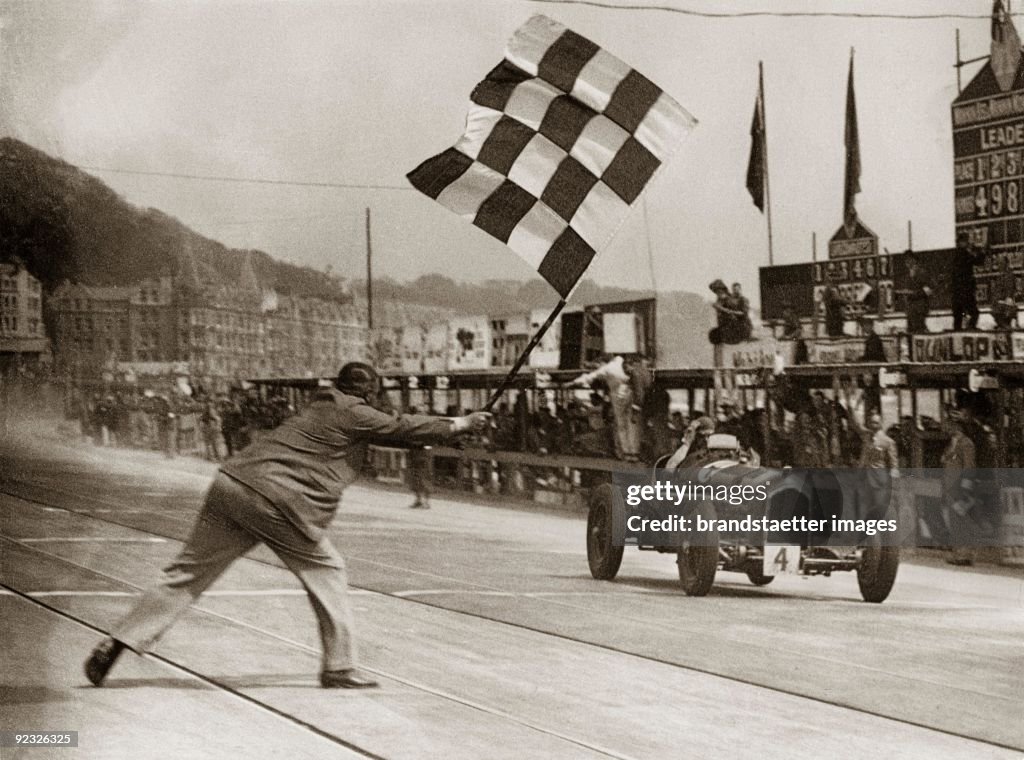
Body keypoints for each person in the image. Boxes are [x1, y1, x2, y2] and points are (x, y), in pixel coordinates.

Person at [83, 362, 491, 689]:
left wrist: (452, 430)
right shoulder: (353, 411)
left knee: (185, 573)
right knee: (328, 570)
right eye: (373, 393)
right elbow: (400, 427)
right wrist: (462, 423)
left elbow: (390, 434)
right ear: (367, 392)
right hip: (280, 502)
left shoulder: (319, 406)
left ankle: (118, 641)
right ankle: (339, 666)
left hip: (231, 484)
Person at [941, 409, 977, 566]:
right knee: (954, 521)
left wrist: (965, 490)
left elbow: (969, 467)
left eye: (950, 424)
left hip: (959, 489)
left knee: (961, 520)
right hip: (950, 487)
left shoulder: (966, 444)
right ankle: (958, 553)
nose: (947, 427)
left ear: (958, 426)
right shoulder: (952, 444)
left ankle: (965, 555)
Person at [952, 231, 982, 331]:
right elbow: (978, 261)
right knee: (974, 312)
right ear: (961, 242)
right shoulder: (964, 254)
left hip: (956, 291)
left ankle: (958, 333)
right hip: (966, 289)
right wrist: (979, 251)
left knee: (958, 316)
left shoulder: (955, 255)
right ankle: (971, 328)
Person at [901, 257, 932, 333]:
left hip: (919, 308)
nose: (909, 266)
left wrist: (915, 293)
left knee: (919, 329)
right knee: (911, 329)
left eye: (911, 264)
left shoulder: (922, 274)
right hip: (911, 308)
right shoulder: (907, 276)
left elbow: (928, 291)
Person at [991, 257, 1017, 330]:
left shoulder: (1008, 274)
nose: (1000, 265)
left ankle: (1004, 325)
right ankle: (1003, 324)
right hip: (1001, 299)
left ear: (1006, 264)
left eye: (1002, 263)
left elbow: (1009, 288)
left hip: (1006, 300)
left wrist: (1006, 298)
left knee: (998, 310)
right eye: (999, 263)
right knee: (995, 309)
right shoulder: (1001, 275)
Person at [822, 271, 847, 338]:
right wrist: (842, 301)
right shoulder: (828, 289)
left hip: (837, 314)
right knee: (834, 334)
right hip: (832, 314)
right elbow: (829, 301)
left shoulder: (836, 288)